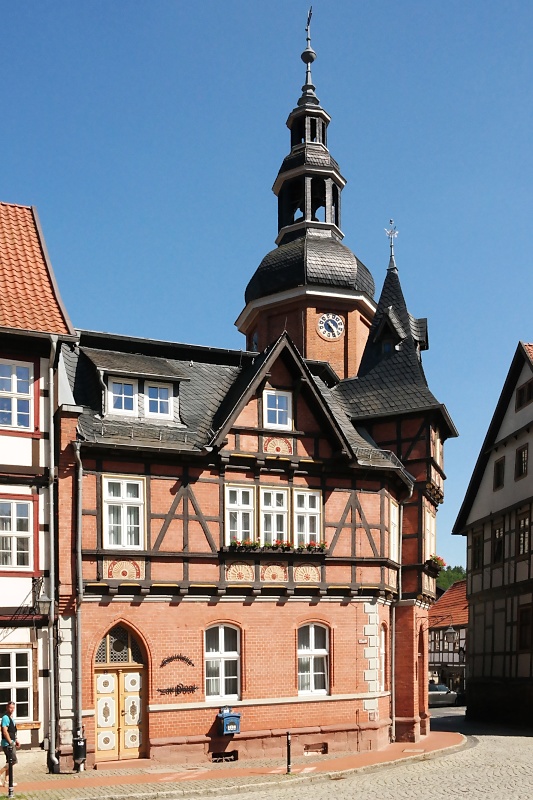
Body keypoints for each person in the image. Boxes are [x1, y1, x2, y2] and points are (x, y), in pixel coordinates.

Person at [0, 701, 19, 788]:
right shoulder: (5, 718)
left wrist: (16, 740)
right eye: (10, 708)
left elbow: (13, 731)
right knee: (13, 761)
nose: (12, 709)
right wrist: (10, 742)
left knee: (9, 761)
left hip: (11, 742)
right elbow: (4, 731)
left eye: (13, 708)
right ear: (7, 708)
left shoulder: (12, 718)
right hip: (7, 744)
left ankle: (7, 781)